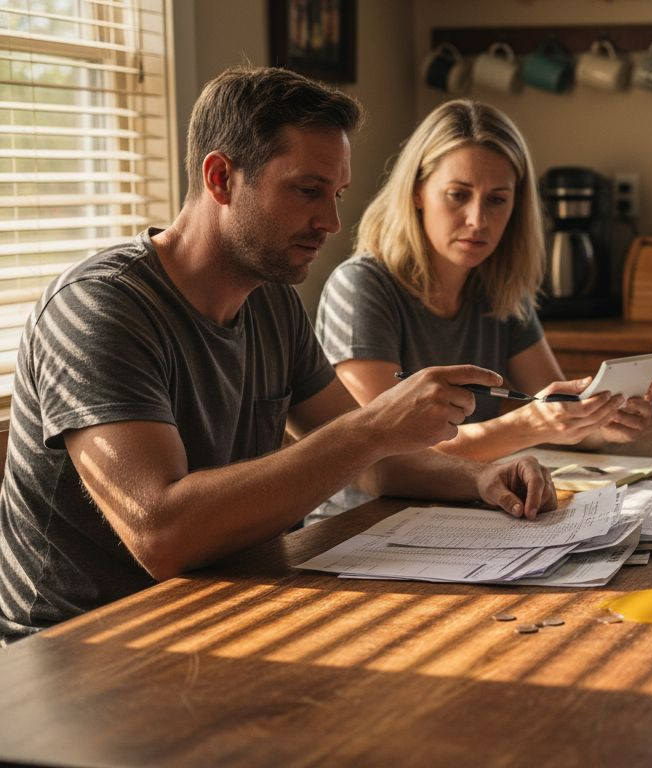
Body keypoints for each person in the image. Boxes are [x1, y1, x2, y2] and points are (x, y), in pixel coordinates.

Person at [0, 67, 556, 644]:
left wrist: (480, 477)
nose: (331, 222)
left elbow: (372, 461)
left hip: (228, 608)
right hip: (81, 646)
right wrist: (372, 427)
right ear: (221, 178)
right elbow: (162, 534)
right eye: (307, 190)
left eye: (336, 195)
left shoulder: (273, 304)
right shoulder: (99, 309)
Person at [312, 99, 652, 516]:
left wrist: (602, 421)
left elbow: (556, 410)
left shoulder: (501, 290)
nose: (478, 219)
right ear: (418, 192)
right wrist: (530, 424)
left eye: (497, 200)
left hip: (466, 512)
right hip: (361, 526)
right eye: (458, 195)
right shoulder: (361, 287)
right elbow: (388, 455)